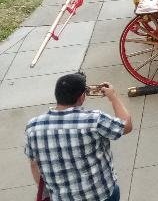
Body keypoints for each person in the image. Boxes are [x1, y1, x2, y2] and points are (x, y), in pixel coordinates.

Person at [25, 73, 134, 201]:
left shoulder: (33, 126)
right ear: (82, 97)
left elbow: (34, 165)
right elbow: (126, 125)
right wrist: (113, 97)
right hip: (100, 195)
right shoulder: (94, 119)